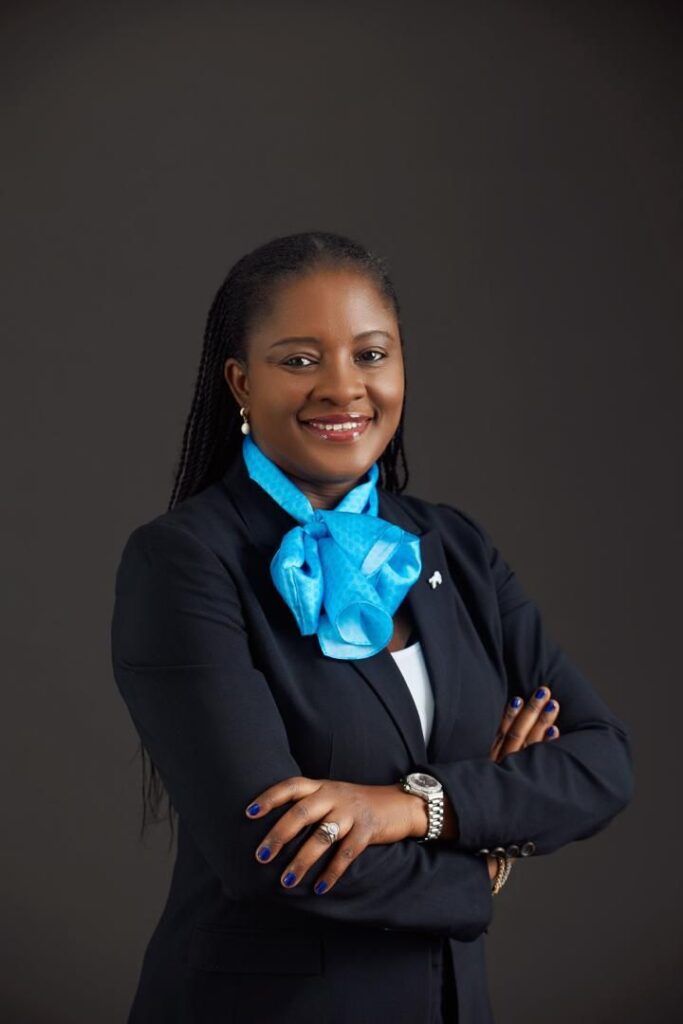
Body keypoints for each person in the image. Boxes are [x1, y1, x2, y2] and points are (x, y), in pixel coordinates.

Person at [110, 230, 634, 1023]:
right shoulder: (184, 562)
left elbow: (600, 762)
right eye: (299, 359)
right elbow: (272, 855)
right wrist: (482, 864)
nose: (342, 387)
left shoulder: (454, 546)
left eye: (370, 354)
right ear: (241, 381)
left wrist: (416, 806)